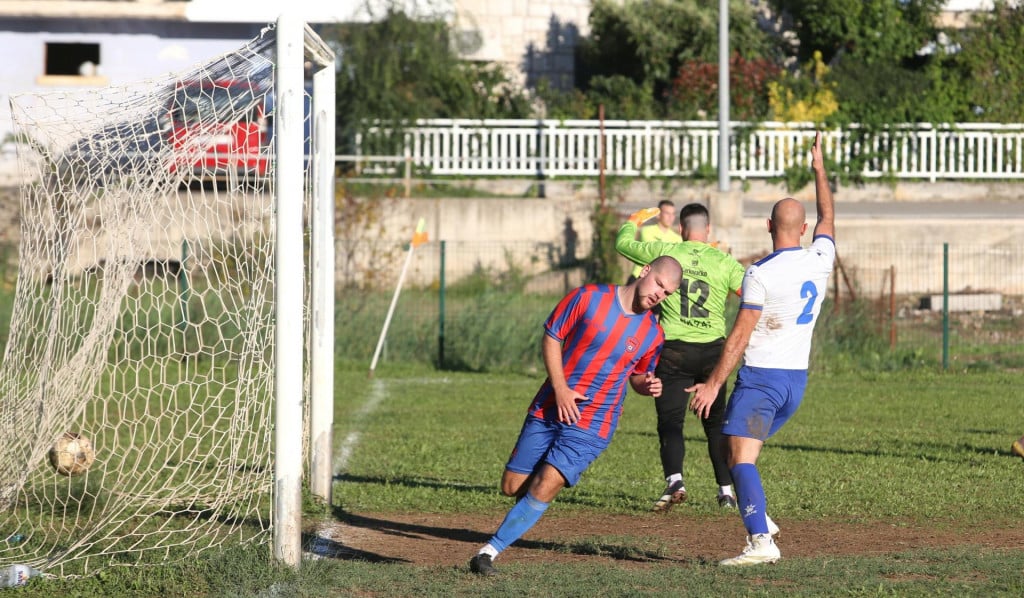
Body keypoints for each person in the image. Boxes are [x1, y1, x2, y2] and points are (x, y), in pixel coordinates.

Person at [468, 255, 683, 576]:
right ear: (645, 271)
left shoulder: (653, 334)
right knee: (512, 487)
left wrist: (646, 384)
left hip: (595, 422)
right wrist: (561, 388)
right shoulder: (588, 298)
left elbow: (638, 374)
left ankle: (488, 552)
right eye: (659, 285)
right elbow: (552, 336)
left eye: (667, 294)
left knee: (546, 485)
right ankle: (527, 505)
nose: (659, 295)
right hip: (550, 407)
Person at [687, 130, 835, 566]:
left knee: (738, 456)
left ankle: (761, 542)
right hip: (796, 382)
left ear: (768, 227)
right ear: (804, 229)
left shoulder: (760, 273)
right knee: (742, 454)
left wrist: (714, 383)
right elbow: (829, 217)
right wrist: (819, 170)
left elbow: (740, 333)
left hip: (763, 378)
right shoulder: (820, 258)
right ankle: (762, 522)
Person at [616, 202, 746, 512]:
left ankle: (675, 480)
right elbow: (751, 295)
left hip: (673, 350)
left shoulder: (667, 252)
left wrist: (633, 220)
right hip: (714, 352)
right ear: (709, 230)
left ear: (680, 230)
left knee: (670, 420)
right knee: (716, 423)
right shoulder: (724, 261)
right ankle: (726, 491)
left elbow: (623, 244)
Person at [626, 200, 682, 283]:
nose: (671, 217)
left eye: (673, 214)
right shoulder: (646, 231)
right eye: (667, 213)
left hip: (660, 281)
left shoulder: (678, 238)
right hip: (639, 276)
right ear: (658, 215)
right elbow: (653, 253)